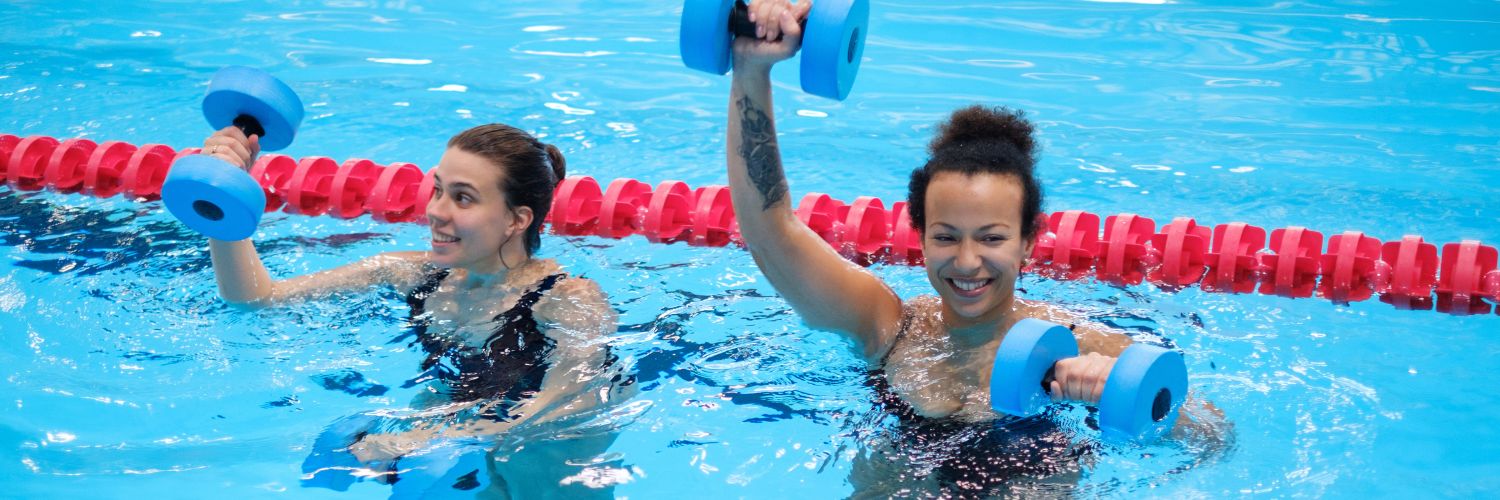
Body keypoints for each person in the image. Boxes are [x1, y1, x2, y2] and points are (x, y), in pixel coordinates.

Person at [724, 1, 1225, 495]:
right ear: (919, 237)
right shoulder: (887, 328)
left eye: (991, 237)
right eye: (946, 236)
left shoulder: (1083, 344)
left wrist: (1114, 389)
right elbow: (770, 229)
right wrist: (751, 69)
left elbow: (1212, 441)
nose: (966, 262)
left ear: (1028, 242)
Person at [199, 123, 632, 497]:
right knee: (342, 449)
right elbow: (257, 298)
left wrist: (429, 436)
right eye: (438, 189)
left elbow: (564, 408)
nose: (435, 212)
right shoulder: (413, 275)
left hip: (547, 460)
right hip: (465, 431)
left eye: (463, 199)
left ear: (517, 220)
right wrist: (225, 201)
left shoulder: (568, 300)